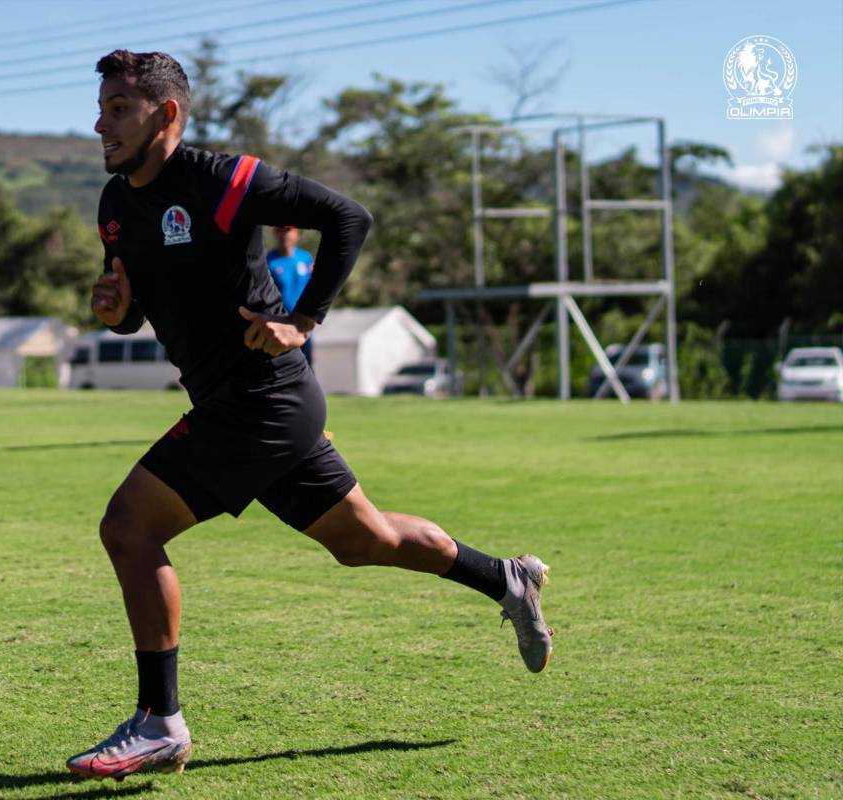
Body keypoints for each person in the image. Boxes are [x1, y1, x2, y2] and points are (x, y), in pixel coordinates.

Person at [67, 50, 553, 782]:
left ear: (166, 114)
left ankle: (160, 722)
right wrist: (116, 311)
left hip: (262, 399)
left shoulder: (222, 180)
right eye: (100, 108)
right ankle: (505, 579)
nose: (100, 124)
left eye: (117, 109)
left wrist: (303, 318)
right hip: (246, 404)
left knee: (129, 527)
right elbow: (135, 310)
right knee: (365, 539)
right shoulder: (115, 205)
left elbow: (347, 217)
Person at [265, 225, 315, 365]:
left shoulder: (305, 258)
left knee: (307, 364)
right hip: (280, 324)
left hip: (303, 322)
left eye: (288, 230)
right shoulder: (268, 261)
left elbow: (312, 287)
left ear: (296, 233)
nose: (285, 235)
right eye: (280, 230)